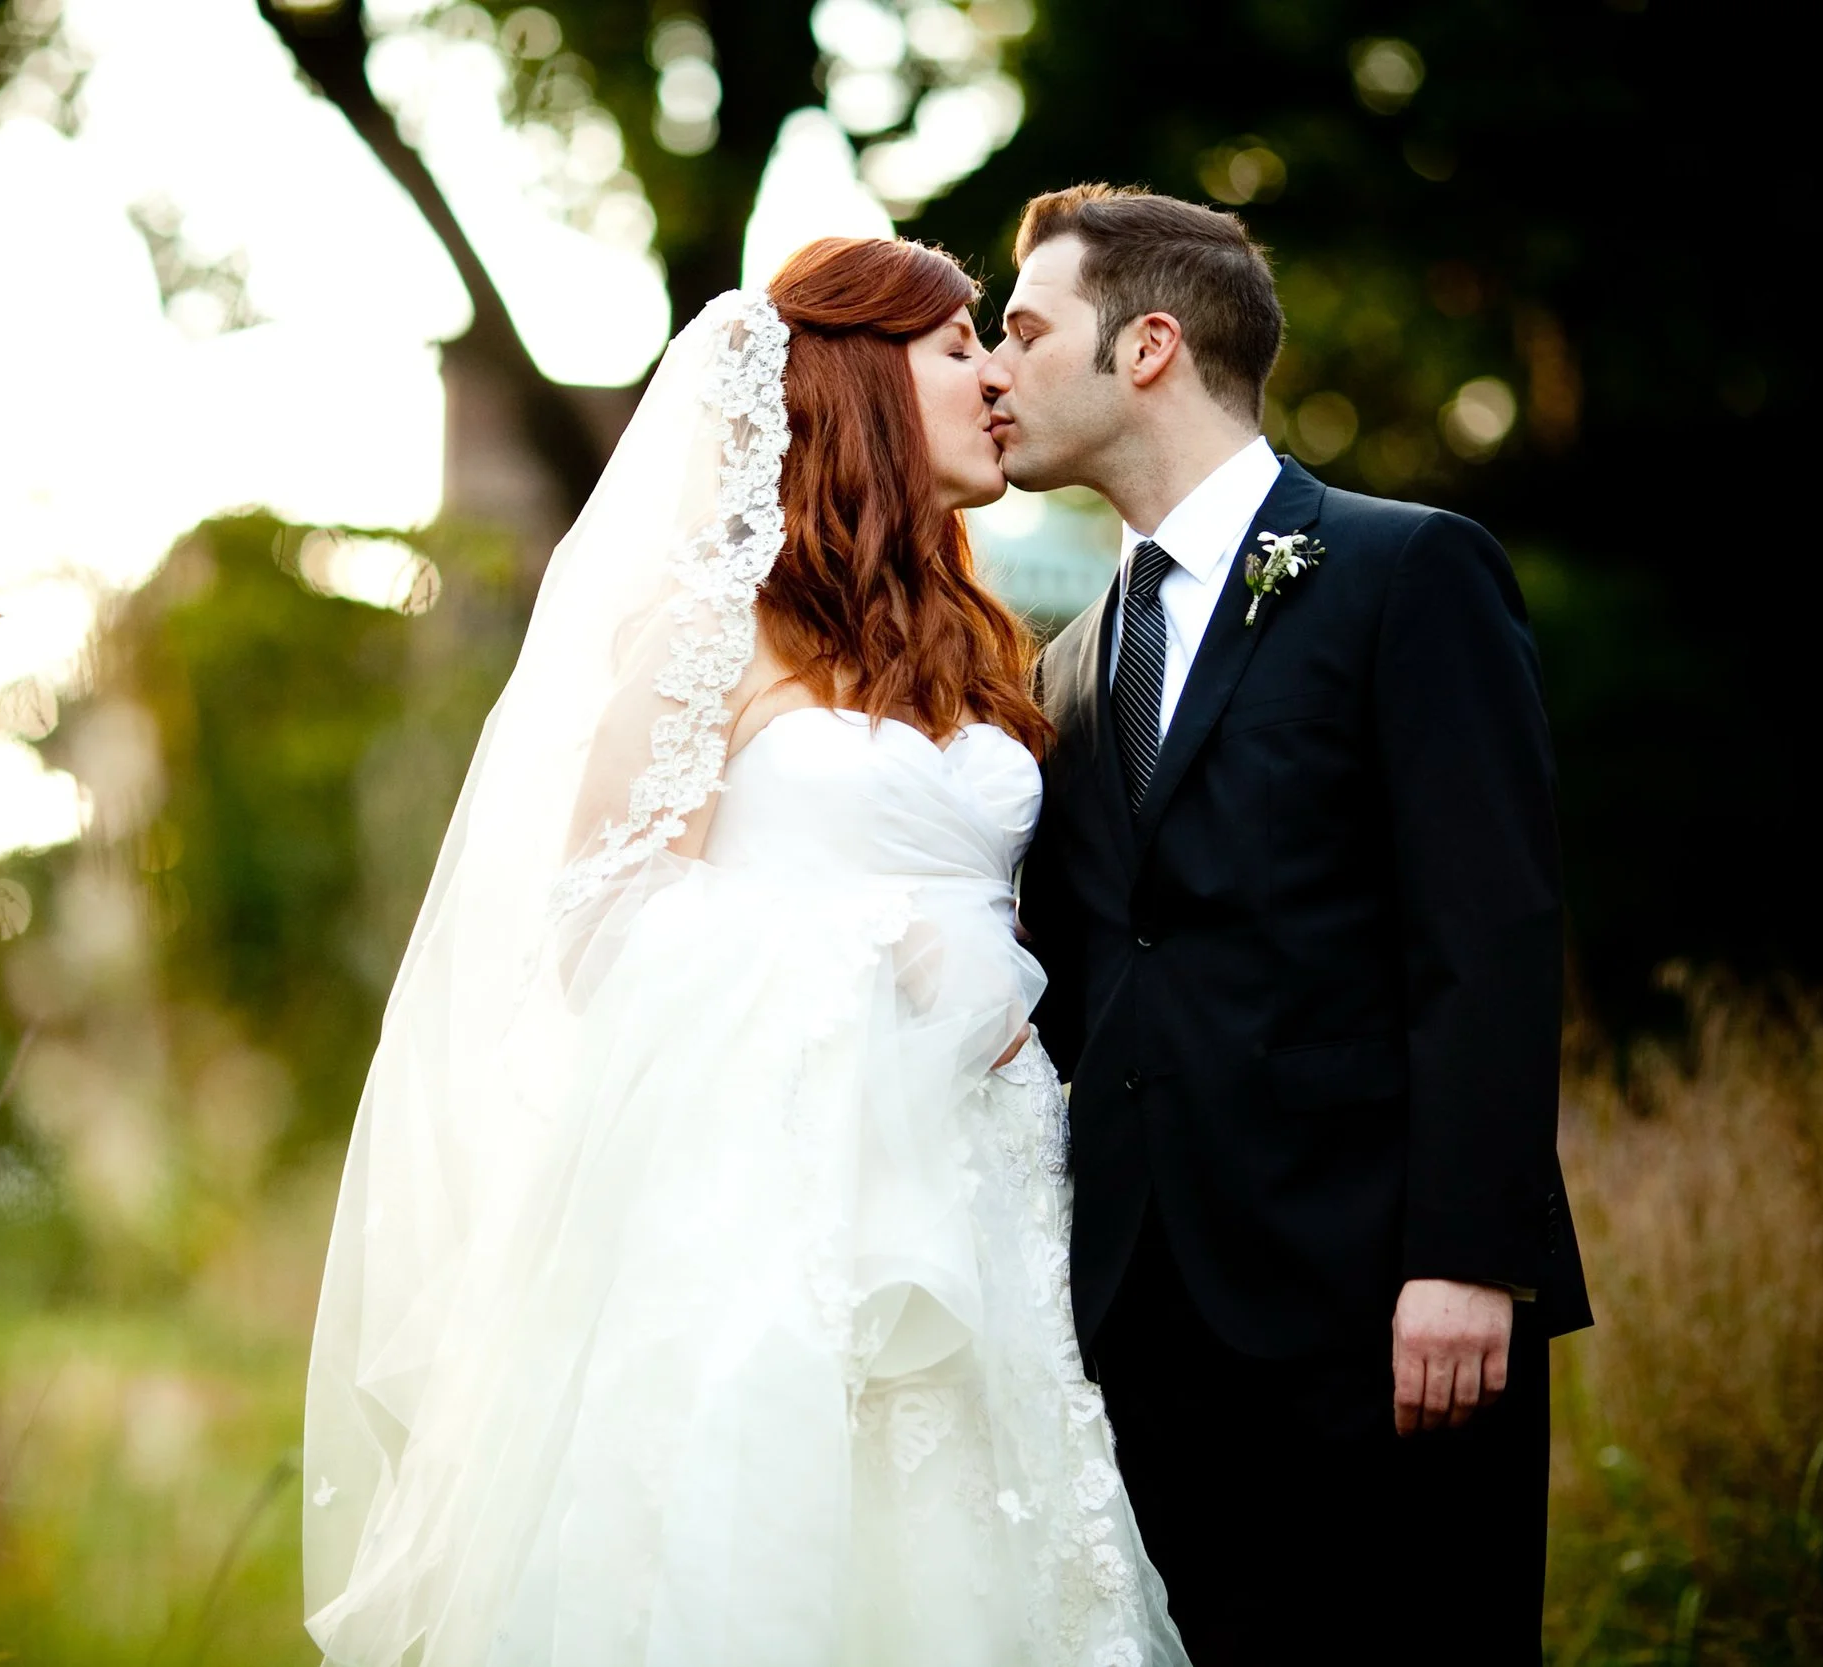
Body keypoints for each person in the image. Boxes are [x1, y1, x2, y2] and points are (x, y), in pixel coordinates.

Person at [302, 236, 1187, 1667]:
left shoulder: (982, 649)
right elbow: (596, 923)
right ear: (857, 383)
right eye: (959, 347)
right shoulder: (715, 634)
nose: (995, 376)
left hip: (992, 1193)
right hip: (778, 1215)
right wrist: (876, 951)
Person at [991, 183, 1593, 1662]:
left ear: (1143, 348)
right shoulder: (1066, 667)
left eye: (1020, 329)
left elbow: (1492, 930)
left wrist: (1468, 1255)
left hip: (1381, 1308)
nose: (991, 370)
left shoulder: (1407, 572)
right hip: (1137, 1323)